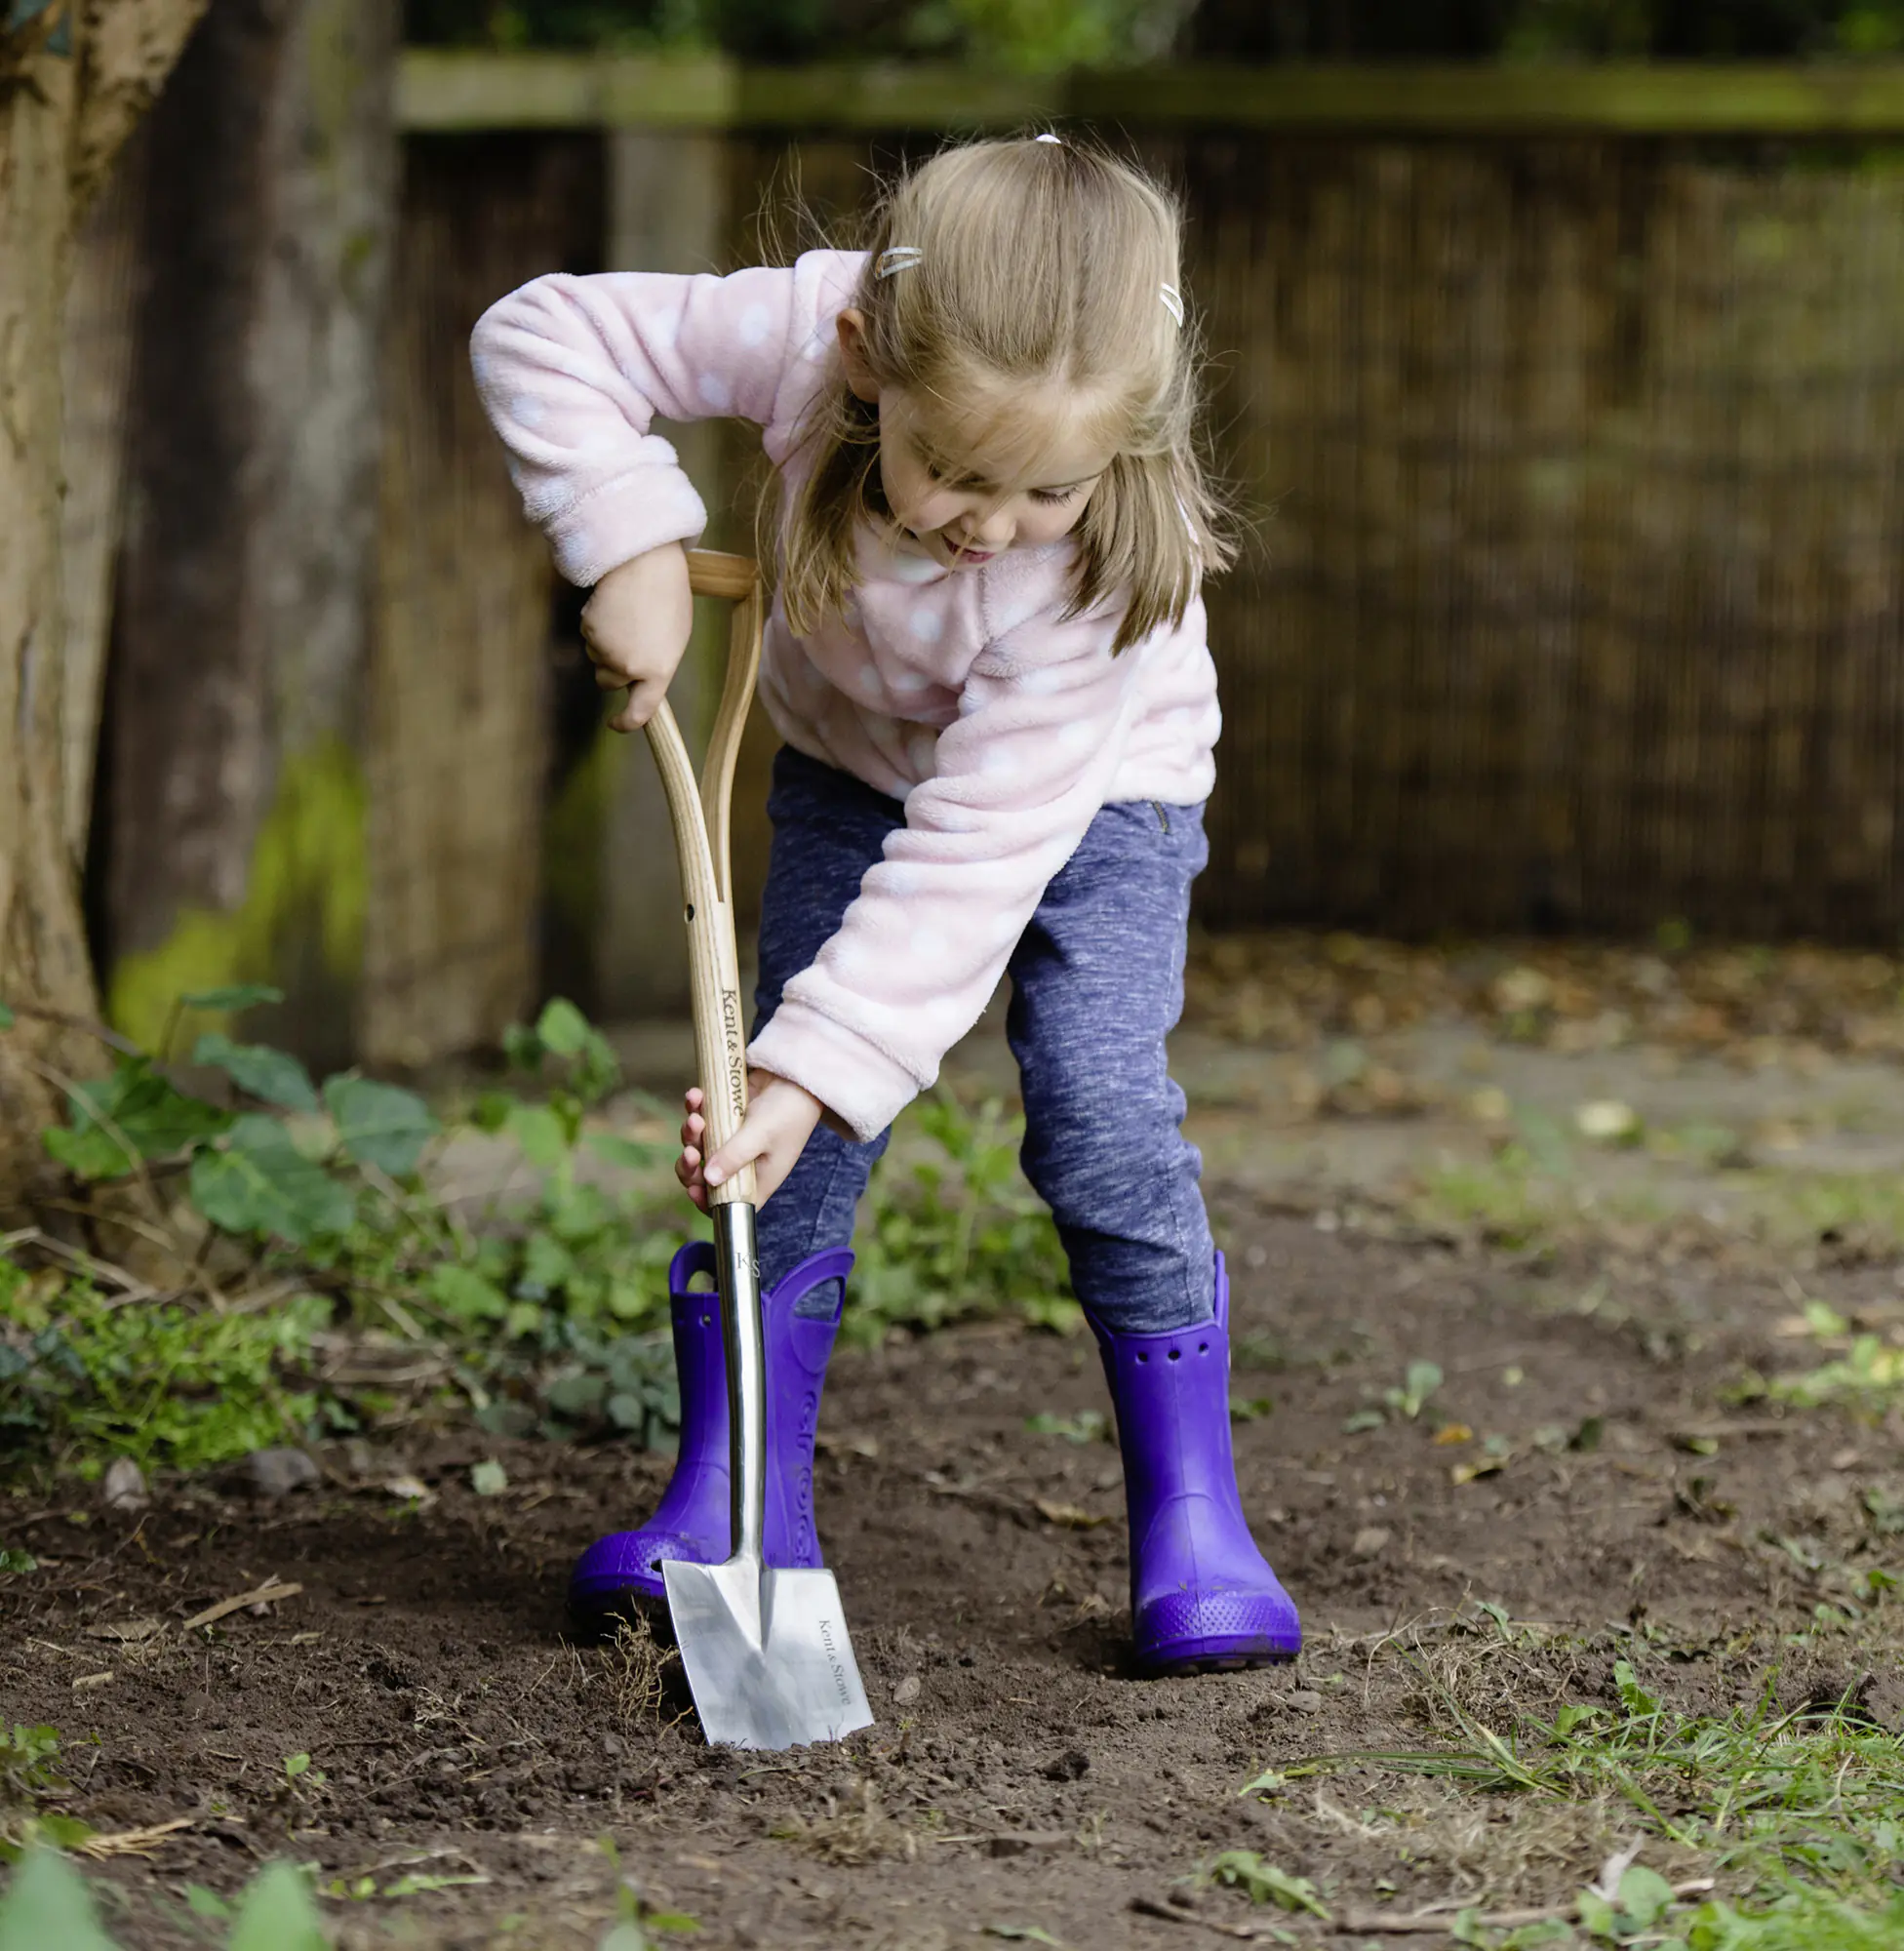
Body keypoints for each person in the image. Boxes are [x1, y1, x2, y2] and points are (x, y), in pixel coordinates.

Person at [471, 133, 1299, 1672]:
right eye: (956, 471)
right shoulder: (813, 327)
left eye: (1047, 485)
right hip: (853, 768)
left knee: (1099, 1109)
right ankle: (737, 1509)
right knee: (776, 1153)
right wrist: (631, 540)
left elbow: (981, 855)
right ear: (865, 359)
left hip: (1096, 796)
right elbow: (545, 330)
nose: (989, 520)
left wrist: (821, 1062)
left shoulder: (1101, 582)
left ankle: (1197, 1520)